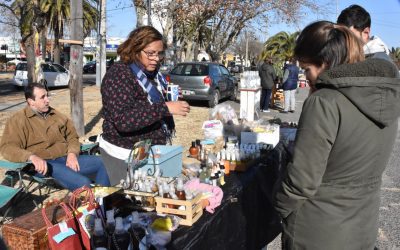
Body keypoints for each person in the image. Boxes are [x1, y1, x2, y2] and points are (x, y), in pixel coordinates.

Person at [273, 21, 400, 249]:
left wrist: (279, 206)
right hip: (363, 226)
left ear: (326, 64)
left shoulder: (325, 102)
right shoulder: (385, 98)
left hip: (316, 231)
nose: (306, 76)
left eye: (307, 69)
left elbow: (302, 182)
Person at [99, 26, 190, 185]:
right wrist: (165, 107)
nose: (156, 58)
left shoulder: (152, 75)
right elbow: (123, 120)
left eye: (159, 53)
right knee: (133, 202)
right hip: (125, 154)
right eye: (150, 53)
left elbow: (148, 104)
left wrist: (168, 99)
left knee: (164, 196)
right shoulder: (119, 74)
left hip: (151, 150)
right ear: (135, 50)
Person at [0, 83, 110, 191]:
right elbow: (7, 147)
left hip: (65, 157)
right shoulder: (18, 120)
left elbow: (72, 136)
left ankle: (102, 203)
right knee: (84, 183)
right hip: (45, 164)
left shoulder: (55, 115)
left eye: (47, 96)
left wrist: (72, 153)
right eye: (42, 97)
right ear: (31, 102)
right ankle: (93, 205)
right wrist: (31, 157)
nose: (47, 100)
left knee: (105, 162)